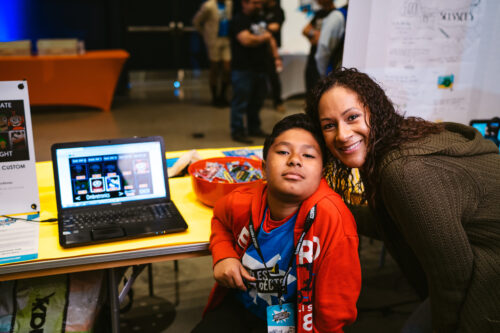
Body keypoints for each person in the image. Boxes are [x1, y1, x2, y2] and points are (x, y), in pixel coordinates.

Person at [305, 67, 500, 333]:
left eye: (352, 117)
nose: (342, 134)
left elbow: (453, 275)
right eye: (329, 125)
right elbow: (394, 219)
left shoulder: (403, 171)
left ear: (375, 110)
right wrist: (331, 206)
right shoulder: (402, 136)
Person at [192, 113, 361, 332]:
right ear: (263, 168)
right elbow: (220, 220)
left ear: (322, 173)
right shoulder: (242, 201)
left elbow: (335, 310)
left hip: (301, 325)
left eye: (308, 155)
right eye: (283, 152)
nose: (294, 160)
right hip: (240, 309)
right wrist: (224, 254)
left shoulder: (333, 220)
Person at [229, 0, 282, 144]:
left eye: (259, 3)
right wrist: (264, 37)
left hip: (261, 68)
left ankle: (254, 128)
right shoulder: (239, 20)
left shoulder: (260, 19)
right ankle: (238, 131)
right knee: (240, 102)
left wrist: (276, 57)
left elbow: (270, 40)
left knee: (257, 101)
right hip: (243, 69)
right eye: (255, 3)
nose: (259, 6)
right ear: (244, 3)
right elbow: (246, 40)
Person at [193, 0, 233, 107]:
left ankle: (223, 95)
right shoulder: (209, 6)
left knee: (227, 69)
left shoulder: (229, 3)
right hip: (214, 41)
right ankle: (215, 97)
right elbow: (197, 21)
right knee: (214, 68)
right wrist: (205, 34)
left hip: (226, 39)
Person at [302, 0, 333, 93]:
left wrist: (318, 36)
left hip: (326, 57)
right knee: (310, 82)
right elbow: (305, 30)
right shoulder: (320, 13)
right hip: (314, 54)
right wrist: (314, 34)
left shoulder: (335, 14)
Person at [263, 0, 286, 112]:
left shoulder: (278, 11)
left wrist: (260, 27)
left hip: (272, 49)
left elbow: (275, 27)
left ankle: (278, 102)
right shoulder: (261, 9)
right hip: (259, 47)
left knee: (274, 77)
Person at [315, 2, 348, 77]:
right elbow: (324, 49)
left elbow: (323, 48)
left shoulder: (339, 16)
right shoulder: (339, 16)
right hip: (336, 75)